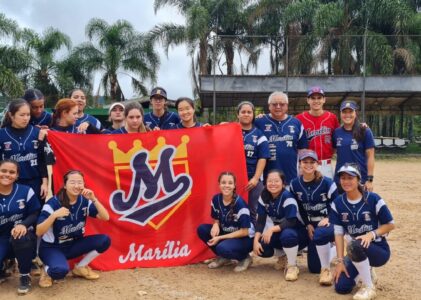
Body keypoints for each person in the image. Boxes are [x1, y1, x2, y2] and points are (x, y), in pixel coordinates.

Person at [330, 164, 395, 300]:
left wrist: (371, 234)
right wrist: (340, 261)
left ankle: (368, 286)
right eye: (343, 178)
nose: (346, 181)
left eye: (350, 178)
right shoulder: (337, 203)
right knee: (341, 287)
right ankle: (366, 270)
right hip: (356, 250)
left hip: (378, 249)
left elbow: (390, 225)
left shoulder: (373, 198)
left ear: (358, 179)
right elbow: (338, 234)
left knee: (355, 244)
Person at [36, 170, 110, 287]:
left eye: (80, 182)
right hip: (52, 248)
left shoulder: (84, 200)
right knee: (60, 271)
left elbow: (105, 217)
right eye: (72, 182)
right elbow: (38, 231)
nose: (76, 186)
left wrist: (94, 199)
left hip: (73, 245)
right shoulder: (53, 203)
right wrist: (53, 215)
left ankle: (80, 267)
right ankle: (46, 271)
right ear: (65, 185)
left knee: (104, 240)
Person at [289, 149, 338, 285]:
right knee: (314, 268)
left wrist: (330, 218)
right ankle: (331, 250)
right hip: (311, 224)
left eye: (312, 162)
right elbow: (299, 208)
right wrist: (307, 224)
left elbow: (338, 204)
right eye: (305, 162)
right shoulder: (294, 184)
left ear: (317, 164)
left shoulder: (327, 182)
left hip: (328, 222)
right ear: (300, 164)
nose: (308, 165)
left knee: (321, 235)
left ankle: (335, 248)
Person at [253, 169, 308, 281]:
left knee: (287, 234)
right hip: (280, 231)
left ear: (283, 183)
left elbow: (291, 221)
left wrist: (272, 229)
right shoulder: (264, 196)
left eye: (276, 181)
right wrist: (255, 241)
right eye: (270, 181)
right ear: (265, 183)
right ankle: (284, 256)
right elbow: (260, 221)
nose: (273, 184)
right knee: (262, 247)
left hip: (298, 233)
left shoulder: (287, 196)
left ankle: (292, 266)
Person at [197, 171, 254, 272]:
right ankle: (224, 257)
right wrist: (215, 224)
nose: (226, 185)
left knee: (222, 247)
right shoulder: (216, 199)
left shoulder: (240, 204)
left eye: (230, 183)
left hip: (245, 239)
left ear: (234, 185)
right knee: (202, 229)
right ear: (219, 184)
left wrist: (220, 237)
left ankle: (244, 258)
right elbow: (216, 218)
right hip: (228, 233)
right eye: (223, 182)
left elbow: (244, 231)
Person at [0, 160, 40, 294]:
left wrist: (23, 224)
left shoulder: (26, 190)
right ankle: (4, 267)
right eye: (3, 171)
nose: (7, 174)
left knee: (20, 236)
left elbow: (35, 213)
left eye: (12, 172)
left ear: (17, 175)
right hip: (2, 238)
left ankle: (24, 275)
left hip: (22, 237)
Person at [254, 91, 308, 185]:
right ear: (269, 106)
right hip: (266, 179)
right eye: (274, 104)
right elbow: (243, 129)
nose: (278, 107)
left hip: (291, 177)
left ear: (287, 106)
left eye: (282, 104)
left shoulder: (296, 123)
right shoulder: (259, 122)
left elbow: (302, 149)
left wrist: (302, 170)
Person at [0, 99, 48, 201]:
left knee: (36, 214)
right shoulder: (2, 134)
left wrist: (45, 183)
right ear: (11, 115)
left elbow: (43, 160)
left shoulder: (37, 132)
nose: (26, 118)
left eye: (28, 114)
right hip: (11, 184)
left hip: (36, 183)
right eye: (22, 115)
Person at [237, 101, 270, 224]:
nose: (246, 114)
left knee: (255, 211)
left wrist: (256, 178)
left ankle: (256, 239)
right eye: (243, 112)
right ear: (238, 114)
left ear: (253, 115)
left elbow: (263, 158)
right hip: (233, 179)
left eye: (249, 112)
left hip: (253, 180)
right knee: (234, 211)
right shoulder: (230, 130)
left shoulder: (259, 135)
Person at [296, 87, 340, 178]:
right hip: (306, 165)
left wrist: (361, 126)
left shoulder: (332, 118)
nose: (316, 101)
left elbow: (339, 138)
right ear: (308, 100)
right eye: (313, 98)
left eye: (319, 98)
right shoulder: (299, 119)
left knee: (327, 191)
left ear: (324, 100)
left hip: (325, 165)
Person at [333, 100, 375, 191]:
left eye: (350, 112)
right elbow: (332, 151)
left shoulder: (364, 131)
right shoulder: (336, 132)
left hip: (359, 179)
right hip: (341, 179)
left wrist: (370, 179)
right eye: (344, 112)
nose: (347, 115)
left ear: (355, 113)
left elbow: (371, 156)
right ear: (340, 114)